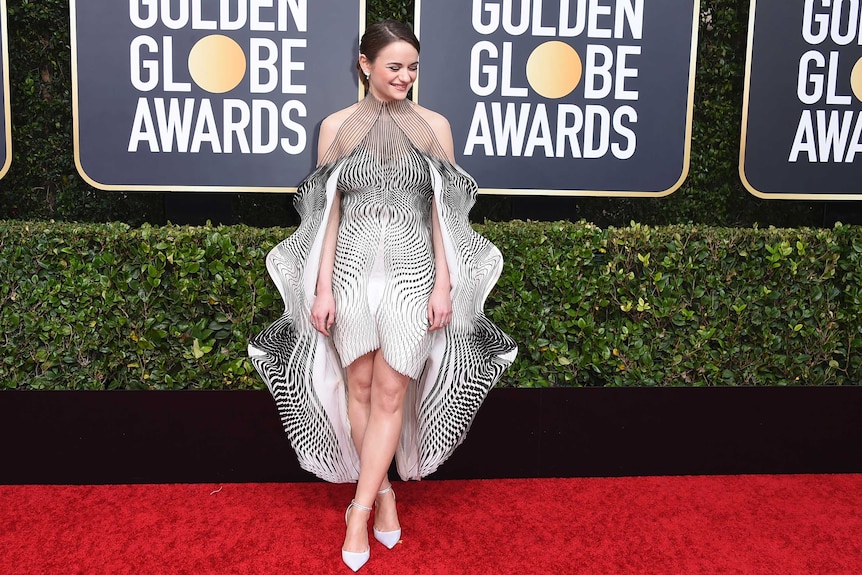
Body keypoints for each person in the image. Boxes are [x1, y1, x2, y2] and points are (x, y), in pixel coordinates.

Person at [248, 19, 517, 572]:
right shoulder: (338, 128)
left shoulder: (434, 126)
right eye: (394, 66)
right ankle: (387, 495)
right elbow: (326, 215)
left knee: (392, 389)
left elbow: (444, 213)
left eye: (413, 67)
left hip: (413, 268)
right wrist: (320, 287)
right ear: (365, 65)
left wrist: (445, 283)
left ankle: (358, 510)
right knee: (361, 385)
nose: (405, 77)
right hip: (348, 266)